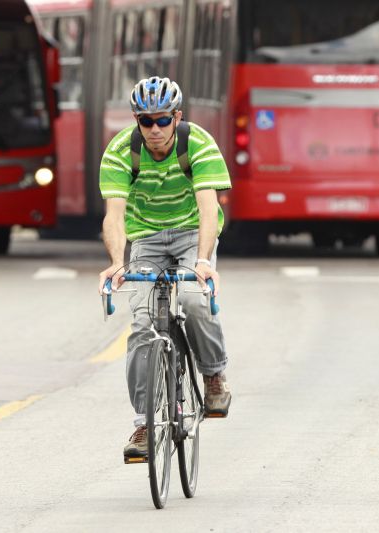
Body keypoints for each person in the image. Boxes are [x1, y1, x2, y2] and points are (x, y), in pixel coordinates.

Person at [96, 76, 233, 460]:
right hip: (147, 238)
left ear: (177, 117)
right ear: (136, 121)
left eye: (162, 120)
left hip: (192, 233)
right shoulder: (121, 152)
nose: (154, 129)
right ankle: (144, 422)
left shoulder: (199, 144)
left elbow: (209, 209)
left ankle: (213, 375)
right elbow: (114, 216)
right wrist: (116, 263)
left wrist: (203, 262)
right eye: (145, 121)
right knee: (141, 327)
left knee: (193, 301)